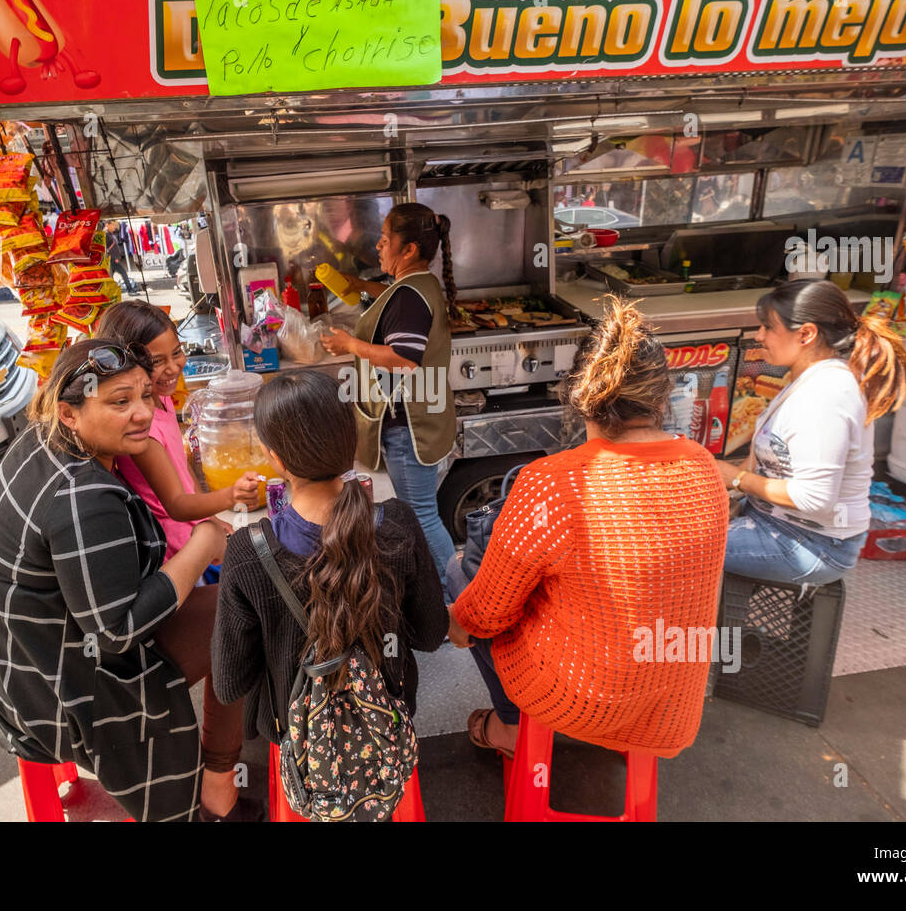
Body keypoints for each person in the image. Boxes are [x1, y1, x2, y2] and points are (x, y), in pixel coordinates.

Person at [0, 339, 259, 822]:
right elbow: (116, 633)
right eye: (119, 402)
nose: (143, 413)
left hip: (13, 666)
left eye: (145, 395)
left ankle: (219, 771)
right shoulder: (82, 497)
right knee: (243, 610)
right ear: (69, 413)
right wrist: (203, 543)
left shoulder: (39, 443)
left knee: (223, 597)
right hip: (65, 690)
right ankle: (218, 785)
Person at [447, 298, 729, 758]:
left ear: (579, 395)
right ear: (662, 398)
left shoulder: (552, 482)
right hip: (671, 704)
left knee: (461, 574)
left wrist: (459, 625)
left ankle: (511, 727)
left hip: (579, 701)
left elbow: (490, 611)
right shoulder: (704, 468)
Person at [211, 370, 448, 749]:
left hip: (296, 738)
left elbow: (229, 685)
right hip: (387, 727)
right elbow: (430, 635)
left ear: (276, 459)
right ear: (349, 440)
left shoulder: (246, 552)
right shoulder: (398, 523)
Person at [714, 279, 906, 586]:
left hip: (811, 544)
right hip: (771, 521)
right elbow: (761, 462)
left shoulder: (827, 395)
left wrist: (737, 479)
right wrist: (726, 496)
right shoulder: (808, 378)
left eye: (768, 327)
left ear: (806, 333)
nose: (759, 336)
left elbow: (813, 499)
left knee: (671, 552)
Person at [319, 203, 458, 588]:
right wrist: (363, 287)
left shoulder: (411, 296)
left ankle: (453, 600)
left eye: (385, 240)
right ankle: (446, 592)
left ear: (409, 249)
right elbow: (395, 298)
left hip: (408, 427)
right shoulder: (418, 284)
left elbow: (404, 360)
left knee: (422, 516)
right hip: (421, 417)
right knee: (422, 514)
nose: (379, 247)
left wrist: (351, 344)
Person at [95, 300, 261, 555]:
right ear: (128, 364)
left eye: (177, 352)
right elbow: (176, 505)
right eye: (157, 361)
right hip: (176, 545)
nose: (173, 368)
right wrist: (231, 495)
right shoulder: (142, 430)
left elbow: (183, 470)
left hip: (197, 526)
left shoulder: (161, 399)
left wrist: (211, 518)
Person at [105, 220, 139, 295]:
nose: (114, 227)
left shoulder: (110, 234)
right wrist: (114, 257)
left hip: (114, 258)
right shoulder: (106, 234)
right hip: (113, 259)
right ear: (107, 225)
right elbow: (106, 249)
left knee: (110, 276)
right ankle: (130, 290)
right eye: (112, 225)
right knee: (123, 273)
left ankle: (111, 292)